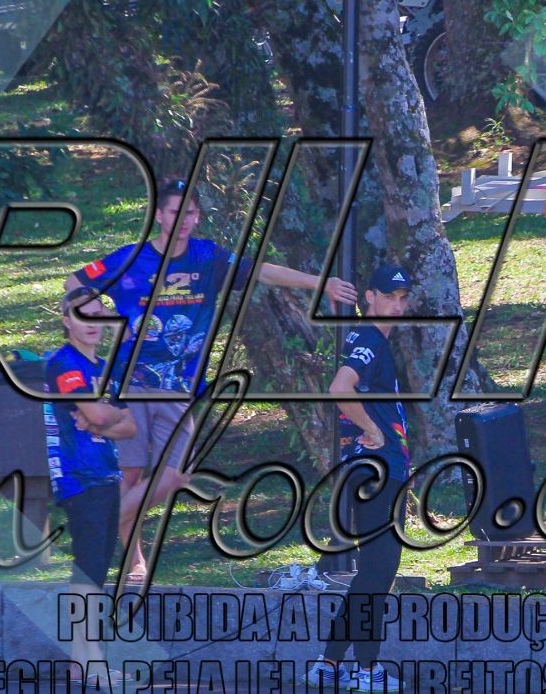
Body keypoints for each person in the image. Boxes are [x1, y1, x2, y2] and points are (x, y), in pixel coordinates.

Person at [66, 178, 357, 585]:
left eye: (189, 212)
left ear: (197, 217)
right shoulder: (131, 259)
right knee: (130, 476)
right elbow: (76, 282)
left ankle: (98, 523)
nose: (182, 220)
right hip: (130, 384)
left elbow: (262, 272)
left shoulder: (208, 257)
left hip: (180, 388)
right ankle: (134, 561)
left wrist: (320, 283)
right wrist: (104, 317)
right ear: (159, 216)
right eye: (174, 212)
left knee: (176, 474)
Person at [307, 262, 413, 694]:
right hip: (375, 468)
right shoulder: (370, 338)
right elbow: (340, 389)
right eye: (388, 296)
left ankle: (330, 664)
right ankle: (367, 670)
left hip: (377, 468)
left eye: (403, 299)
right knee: (379, 571)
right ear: (369, 297)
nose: (397, 306)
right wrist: (373, 430)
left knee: (374, 572)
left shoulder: (369, 339)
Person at [42, 290, 137, 589]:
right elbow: (97, 414)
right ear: (67, 322)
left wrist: (101, 423)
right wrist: (105, 417)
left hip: (107, 473)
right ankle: (82, 623)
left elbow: (130, 428)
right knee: (89, 567)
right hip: (78, 475)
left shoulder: (106, 368)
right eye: (82, 315)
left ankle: (88, 622)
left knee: (99, 570)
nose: (92, 322)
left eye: (97, 315)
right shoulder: (64, 362)